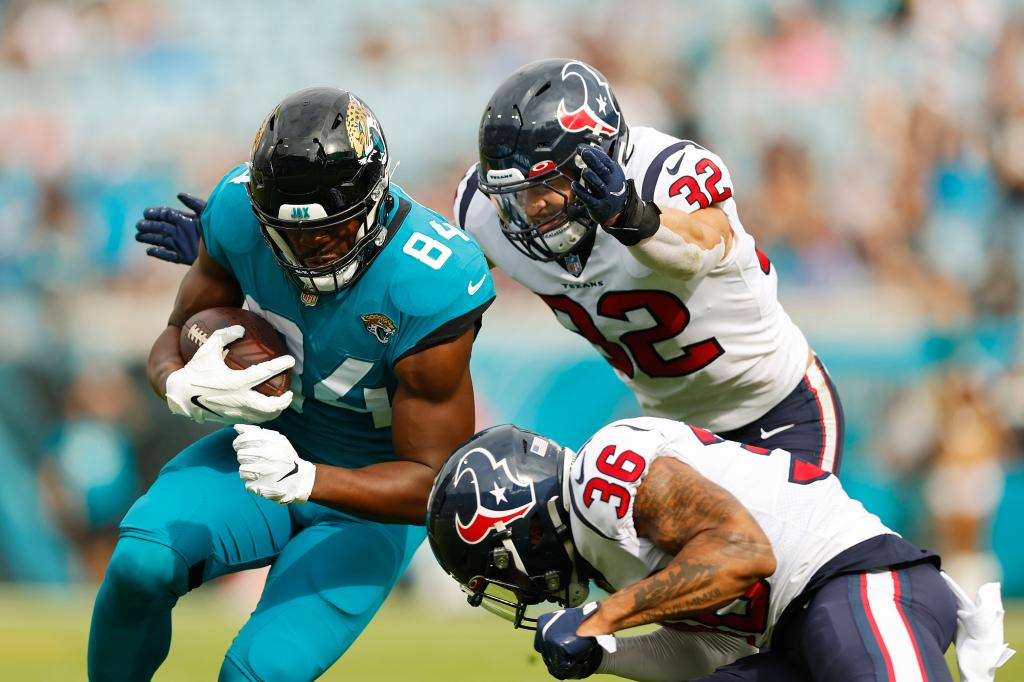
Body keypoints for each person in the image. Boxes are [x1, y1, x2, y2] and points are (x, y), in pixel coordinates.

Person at [139, 58, 845, 473]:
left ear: (598, 159)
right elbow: (411, 262)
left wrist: (635, 219)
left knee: (788, 595)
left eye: (546, 191)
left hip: (777, 403)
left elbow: (711, 242)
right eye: (516, 196)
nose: (529, 215)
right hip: (672, 421)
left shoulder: (668, 174)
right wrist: (254, 239)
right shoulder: (485, 211)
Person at [92, 87, 495, 681]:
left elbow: (433, 481)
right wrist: (176, 383)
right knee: (139, 565)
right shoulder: (237, 212)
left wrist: (308, 479)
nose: (310, 248)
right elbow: (177, 329)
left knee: (258, 673)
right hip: (261, 450)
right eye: (291, 232)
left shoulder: (432, 279)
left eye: (330, 230)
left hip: (370, 499)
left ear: (375, 203)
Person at [425, 419, 1014, 681]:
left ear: (518, 527)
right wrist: (605, 656)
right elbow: (710, 649)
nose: (515, 589)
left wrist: (601, 618)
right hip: (797, 633)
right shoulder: (605, 553)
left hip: (857, 584)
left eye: (497, 570)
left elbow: (741, 554)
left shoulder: (600, 477)